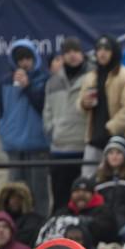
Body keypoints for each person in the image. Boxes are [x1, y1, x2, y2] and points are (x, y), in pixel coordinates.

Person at [0, 39, 50, 217]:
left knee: (38, 190)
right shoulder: (4, 82)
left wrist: (28, 87)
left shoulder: (44, 80)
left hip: (38, 144)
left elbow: (44, 106)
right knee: (15, 191)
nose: (23, 63)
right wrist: (3, 131)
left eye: (27, 58)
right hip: (14, 144)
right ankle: (14, 224)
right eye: (20, 59)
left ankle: (40, 222)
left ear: (35, 58)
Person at [79, 35, 125, 178]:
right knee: (88, 182)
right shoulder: (91, 76)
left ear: (115, 52)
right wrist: (83, 103)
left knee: (119, 180)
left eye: (107, 49)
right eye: (99, 49)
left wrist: (109, 128)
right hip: (94, 140)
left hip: (118, 140)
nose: (102, 53)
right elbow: (79, 104)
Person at [43, 37, 91, 208]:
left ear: (82, 54)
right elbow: (47, 111)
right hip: (59, 149)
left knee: (83, 200)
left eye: (76, 51)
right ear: (62, 56)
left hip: (83, 148)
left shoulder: (92, 77)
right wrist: (52, 131)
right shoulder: (53, 81)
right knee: (60, 199)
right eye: (68, 52)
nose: (72, 56)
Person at [36, 175, 119, 246]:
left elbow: (109, 234)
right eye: (77, 191)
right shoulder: (62, 212)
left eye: (85, 191)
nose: (81, 195)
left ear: (93, 194)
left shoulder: (104, 211)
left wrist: (86, 223)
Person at [93, 136, 125, 233]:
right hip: (102, 224)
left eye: (118, 153)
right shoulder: (97, 178)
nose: (114, 157)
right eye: (111, 153)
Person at [0, 182, 45, 249]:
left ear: (24, 200)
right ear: (7, 200)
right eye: (12, 198)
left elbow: (25, 237)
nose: (15, 201)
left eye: (19, 198)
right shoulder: (1, 219)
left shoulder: (33, 219)